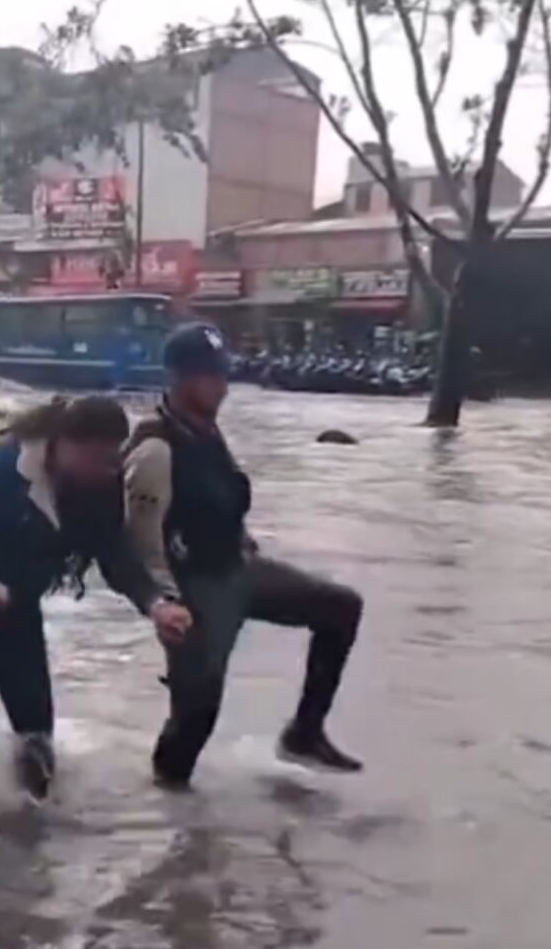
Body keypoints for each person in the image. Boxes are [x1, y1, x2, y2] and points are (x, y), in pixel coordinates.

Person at [0, 397, 194, 799]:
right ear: (61, 444)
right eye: (95, 458)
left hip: (13, 612)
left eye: (112, 458)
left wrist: (156, 604)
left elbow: (114, 553)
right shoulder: (1, 472)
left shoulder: (98, 487)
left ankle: (32, 838)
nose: (106, 470)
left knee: (36, 736)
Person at [125, 324, 365, 789]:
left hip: (238, 569)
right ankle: (170, 808)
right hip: (195, 589)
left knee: (341, 607)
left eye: (222, 375)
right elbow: (140, 540)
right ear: (180, 379)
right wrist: (163, 602)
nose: (222, 386)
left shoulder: (207, 431)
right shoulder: (156, 448)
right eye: (210, 377)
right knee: (197, 715)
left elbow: (221, 497)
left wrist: (244, 537)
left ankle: (304, 733)